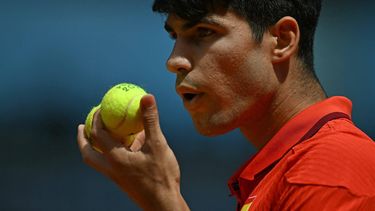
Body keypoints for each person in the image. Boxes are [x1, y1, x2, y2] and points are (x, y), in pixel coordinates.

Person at [77, 0, 375, 210]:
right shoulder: (289, 169)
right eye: (175, 35)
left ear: (282, 40)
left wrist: (164, 200)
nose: (173, 60)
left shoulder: (328, 175)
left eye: (204, 32)